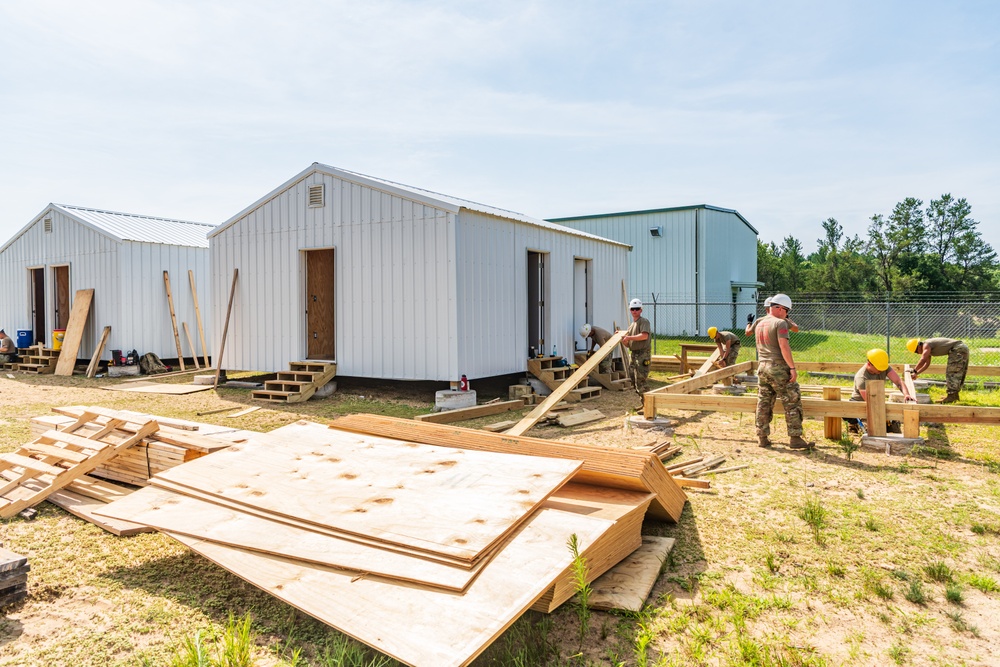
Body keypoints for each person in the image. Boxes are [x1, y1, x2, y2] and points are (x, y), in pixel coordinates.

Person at [753, 294, 813, 450]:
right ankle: (795, 438)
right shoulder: (780, 323)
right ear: (780, 308)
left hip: (762, 366)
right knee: (792, 401)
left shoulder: (760, 322)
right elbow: (784, 346)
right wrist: (792, 367)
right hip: (778, 367)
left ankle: (762, 437)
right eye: (787, 311)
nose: (787, 314)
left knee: (764, 402)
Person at [844, 348, 915, 434]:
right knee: (871, 430)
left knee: (893, 424)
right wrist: (884, 415)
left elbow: (898, 381)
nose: (881, 371)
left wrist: (906, 394)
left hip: (877, 401)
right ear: (869, 364)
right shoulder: (861, 377)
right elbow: (870, 401)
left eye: (882, 368)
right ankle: (854, 423)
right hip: (862, 403)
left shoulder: (883, 367)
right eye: (879, 369)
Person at [907, 337, 970, 403]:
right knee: (957, 371)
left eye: (916, 352)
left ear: (918, 346)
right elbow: (926, 364)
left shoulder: (926, 345)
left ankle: (952, 397)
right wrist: (916, 373)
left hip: (958, 349)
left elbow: (923, 359)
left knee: (952, 373)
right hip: (961, 348)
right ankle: (954, 396)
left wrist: (914, 370)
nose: (918, 353)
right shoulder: (928, 348)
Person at [617, 298, 651, 399]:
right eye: (632, 309)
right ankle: (644, 403)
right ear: (630, 310)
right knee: (633, 379)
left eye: (637, 309)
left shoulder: (644, 321)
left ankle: (649, 406)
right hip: (634, 354)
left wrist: (629, 337)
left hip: (643, 354)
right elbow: (629, 345)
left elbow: (644, 336)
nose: (634, 311)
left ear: (641, 310)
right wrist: (623, 340)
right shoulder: (631, 326)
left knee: (641, 380)